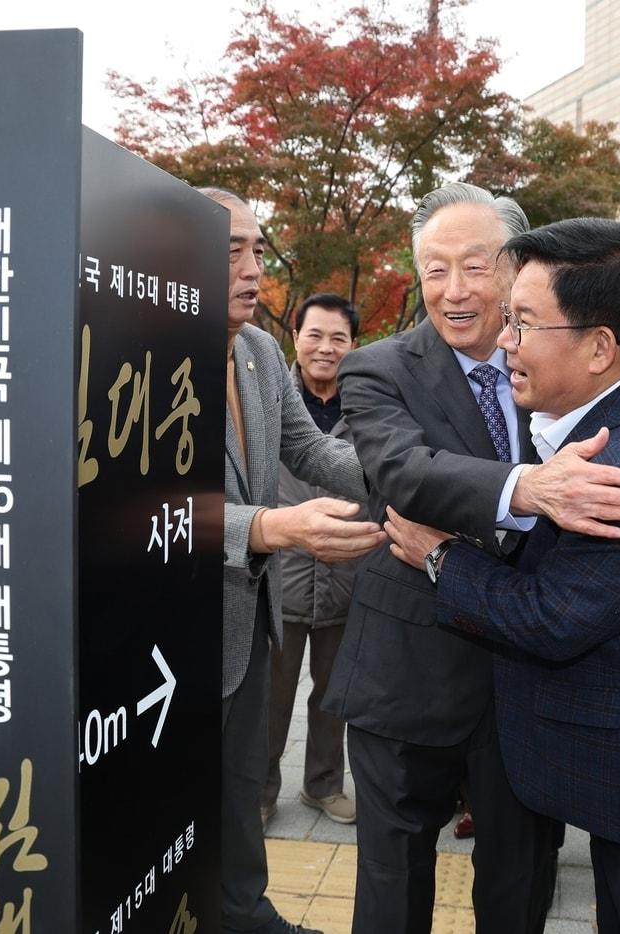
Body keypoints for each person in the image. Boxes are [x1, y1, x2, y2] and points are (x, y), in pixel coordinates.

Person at [323, 181, 620, 933]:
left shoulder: (557, 354)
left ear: (514, 270)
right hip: (411, 675)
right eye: (433, 268)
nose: (454, 290)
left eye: (476, 266)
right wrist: (529, 487)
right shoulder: (379, 368)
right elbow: (403, 472)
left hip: (534, 693)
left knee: (519, 888)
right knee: (391, 887)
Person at [202, 187, 383, 934]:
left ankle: (243, 912)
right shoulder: (133, 346)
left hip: (248, 622)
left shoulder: (257, 350)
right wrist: (273, 526)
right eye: (230, 251)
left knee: (242, 790)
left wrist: (402, 479)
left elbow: (306, 449)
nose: (251, 269)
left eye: (255, 248)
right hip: (165, 637)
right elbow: (132, 505)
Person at [262, 293, 362, 828]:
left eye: (338, 338)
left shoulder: (368, 404)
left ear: (353, 345)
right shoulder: (266, 398)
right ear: (294, 338)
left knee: (334, 695)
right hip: (281, 572)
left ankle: (322, 785)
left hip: (348, 574)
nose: (325, 348)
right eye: (314, 335)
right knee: (271, 698)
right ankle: (259, 792)